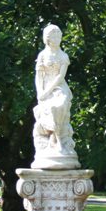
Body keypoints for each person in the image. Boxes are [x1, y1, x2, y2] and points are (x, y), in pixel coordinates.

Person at [33, 23, 74, 155]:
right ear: (47, 39)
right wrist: (40, 92)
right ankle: (56, 140)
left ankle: (57, 139)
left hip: (59, 88)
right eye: (54, 37)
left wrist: (46, 92)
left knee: (57, 106)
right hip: (45, 88)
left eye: (58, 37)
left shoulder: (63, 56)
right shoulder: (42, 55)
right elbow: (39, 76)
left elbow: (60, 77)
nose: (57, 40)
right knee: (47, 108)